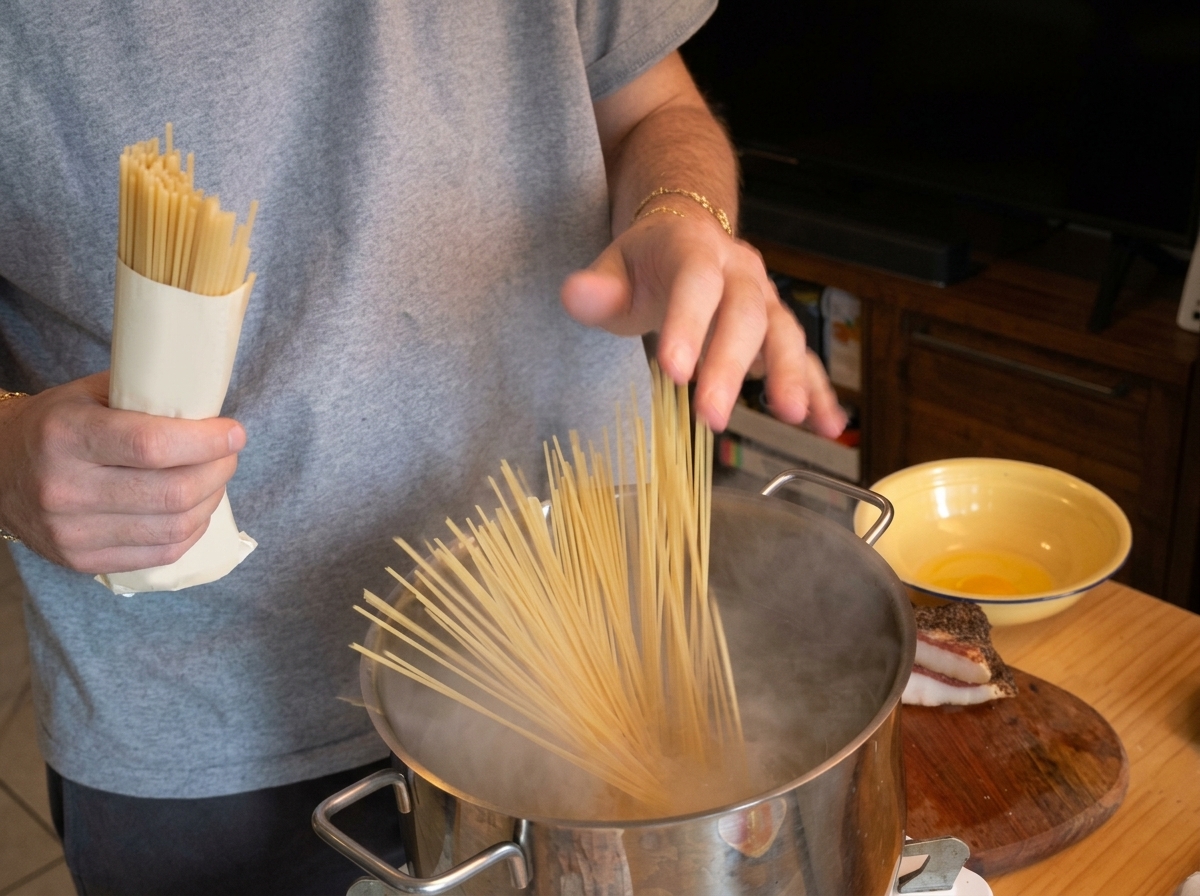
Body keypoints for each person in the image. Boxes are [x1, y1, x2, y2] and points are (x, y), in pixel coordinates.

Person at [0, 1, 843, 893]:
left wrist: (682, 211)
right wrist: (11, 454)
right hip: (213, 733)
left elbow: (653, 109)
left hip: (611, 644)